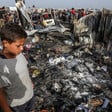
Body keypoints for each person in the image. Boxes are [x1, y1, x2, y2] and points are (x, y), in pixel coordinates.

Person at [0, 23, 35, 112]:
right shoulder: (1, 66)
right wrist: (6, 109)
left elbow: (24, 69)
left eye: (22, 45)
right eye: (18, 46)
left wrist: (29, 81)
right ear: (5, 43)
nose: (22, 48)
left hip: (30, 96)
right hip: (17, 105)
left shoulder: (19, 54)